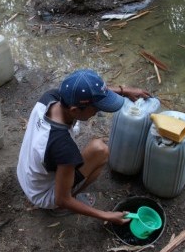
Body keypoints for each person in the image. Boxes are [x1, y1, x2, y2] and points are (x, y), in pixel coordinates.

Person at [17, 69, 152, 225]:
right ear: (74, 110)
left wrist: (124, 91)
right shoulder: (63, 147)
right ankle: (60, 208)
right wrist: (106, 215)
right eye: (96, 108)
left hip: (26, 175)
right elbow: (62, 199)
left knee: (95, 149)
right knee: (100, 151)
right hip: (43, 195)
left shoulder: (51, 97)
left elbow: (93, 93)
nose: (98, 111)